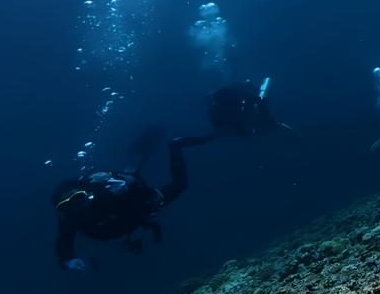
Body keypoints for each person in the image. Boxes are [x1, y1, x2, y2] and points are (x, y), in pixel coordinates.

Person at [53, 134, 208, 270]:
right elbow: (63, 242)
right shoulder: (70, 219)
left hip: (140, 205)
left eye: (78, 197)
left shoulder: (104, 193)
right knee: (131, 172)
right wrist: (69, 260)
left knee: (177, 185)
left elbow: (139, 193)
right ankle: (138, 160)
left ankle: (175, 146)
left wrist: (130, 186)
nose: (77, 205)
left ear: (86, 193)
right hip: (128, 221)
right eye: (68, 205)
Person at [206, 78, 280, 137]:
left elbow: (257, 101)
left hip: (231, 108)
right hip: (232, 112)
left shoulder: (229, 92)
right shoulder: (243, 92)